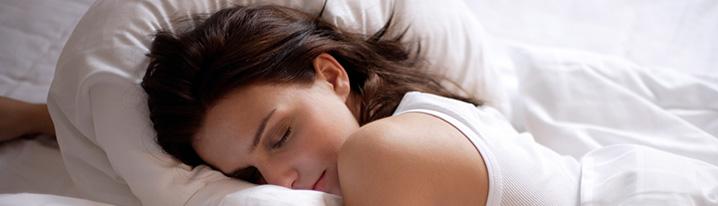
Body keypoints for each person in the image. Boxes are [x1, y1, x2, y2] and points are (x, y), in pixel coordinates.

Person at [1, 5, 580, 205]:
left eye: (278, 136)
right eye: (248, 175)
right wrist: (41, 117)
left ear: (331, 75)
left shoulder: (385, 151)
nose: (279, 180)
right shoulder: (409, 122)